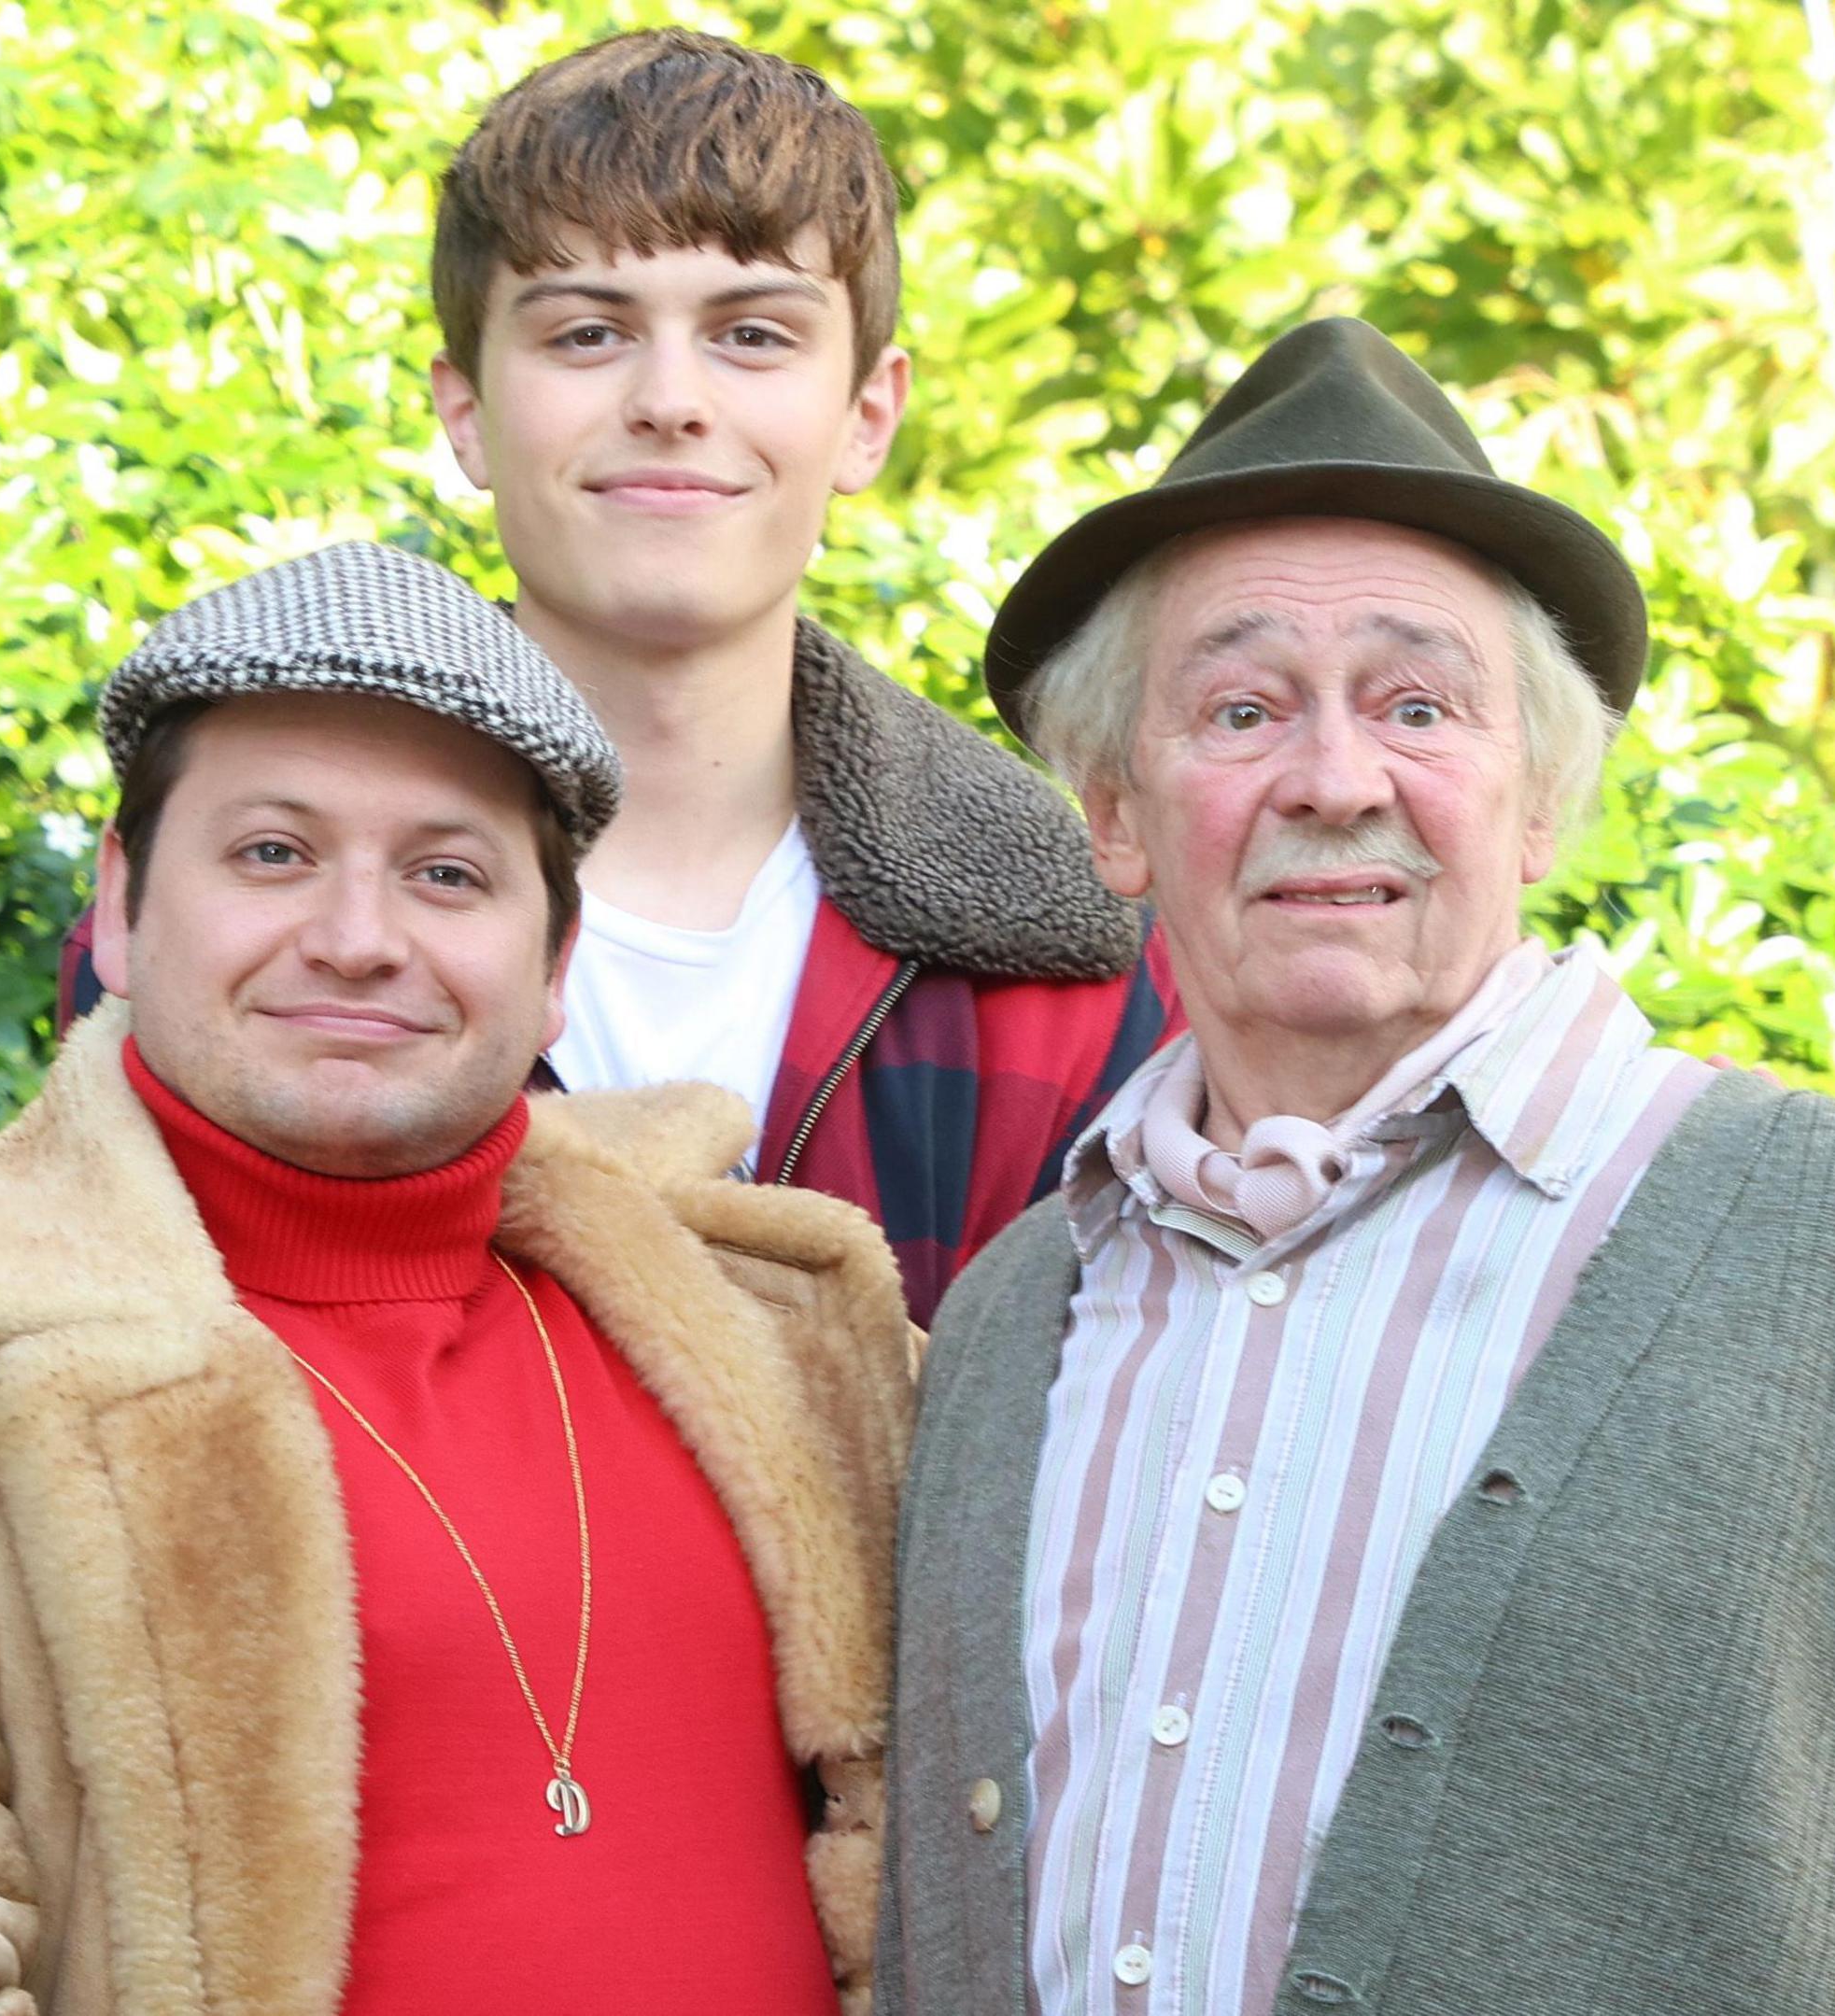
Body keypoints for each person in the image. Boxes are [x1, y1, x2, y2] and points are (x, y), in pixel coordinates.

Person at [878, 317, 1835, 2014]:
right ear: (1113, 811)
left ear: (1539, 800)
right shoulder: (1018, 1313)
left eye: (1418, 706)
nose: (1334, 781)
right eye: (1242, 708)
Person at [0, 542, 916, 2014]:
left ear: (557, 958)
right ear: (121, 905)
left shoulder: (788, 1328)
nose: (360, 939)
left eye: (448, 874)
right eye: (273, 854)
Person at [65, 30, 1177, 1327]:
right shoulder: (242, 897)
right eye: (588, 333)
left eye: (753, 334)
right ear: (467, 411)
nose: (669, 400)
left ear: (868, 412)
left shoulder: (1064, 951)